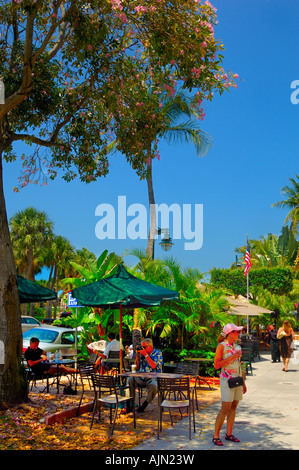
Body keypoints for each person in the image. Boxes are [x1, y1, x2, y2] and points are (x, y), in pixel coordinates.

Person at [212, 323, 247, 446]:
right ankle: (216, 435)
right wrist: (232, 357)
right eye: (236, 332)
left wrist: (243, 382)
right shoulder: (221, 346)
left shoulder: (236, 346)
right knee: (225, 407)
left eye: (238, 332)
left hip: (237, 379)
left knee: (234, 406)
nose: (238, 334)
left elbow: (239, 365)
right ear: (229, 333)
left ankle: (229, 433)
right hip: (227, 380)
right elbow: (216, 365)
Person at [122, 338, 163, 414]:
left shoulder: (158, 353)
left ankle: (144, 404)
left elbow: (154, 366)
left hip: (152, 377)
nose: (142, 349)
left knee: (154, 386)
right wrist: (137, 356)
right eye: (142, 347)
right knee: (130, 379)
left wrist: (146, 355)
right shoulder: (142, 354)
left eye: (144, 347)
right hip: (141, 377)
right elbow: (137, 367)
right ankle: (128, 405)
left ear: (150, 346)